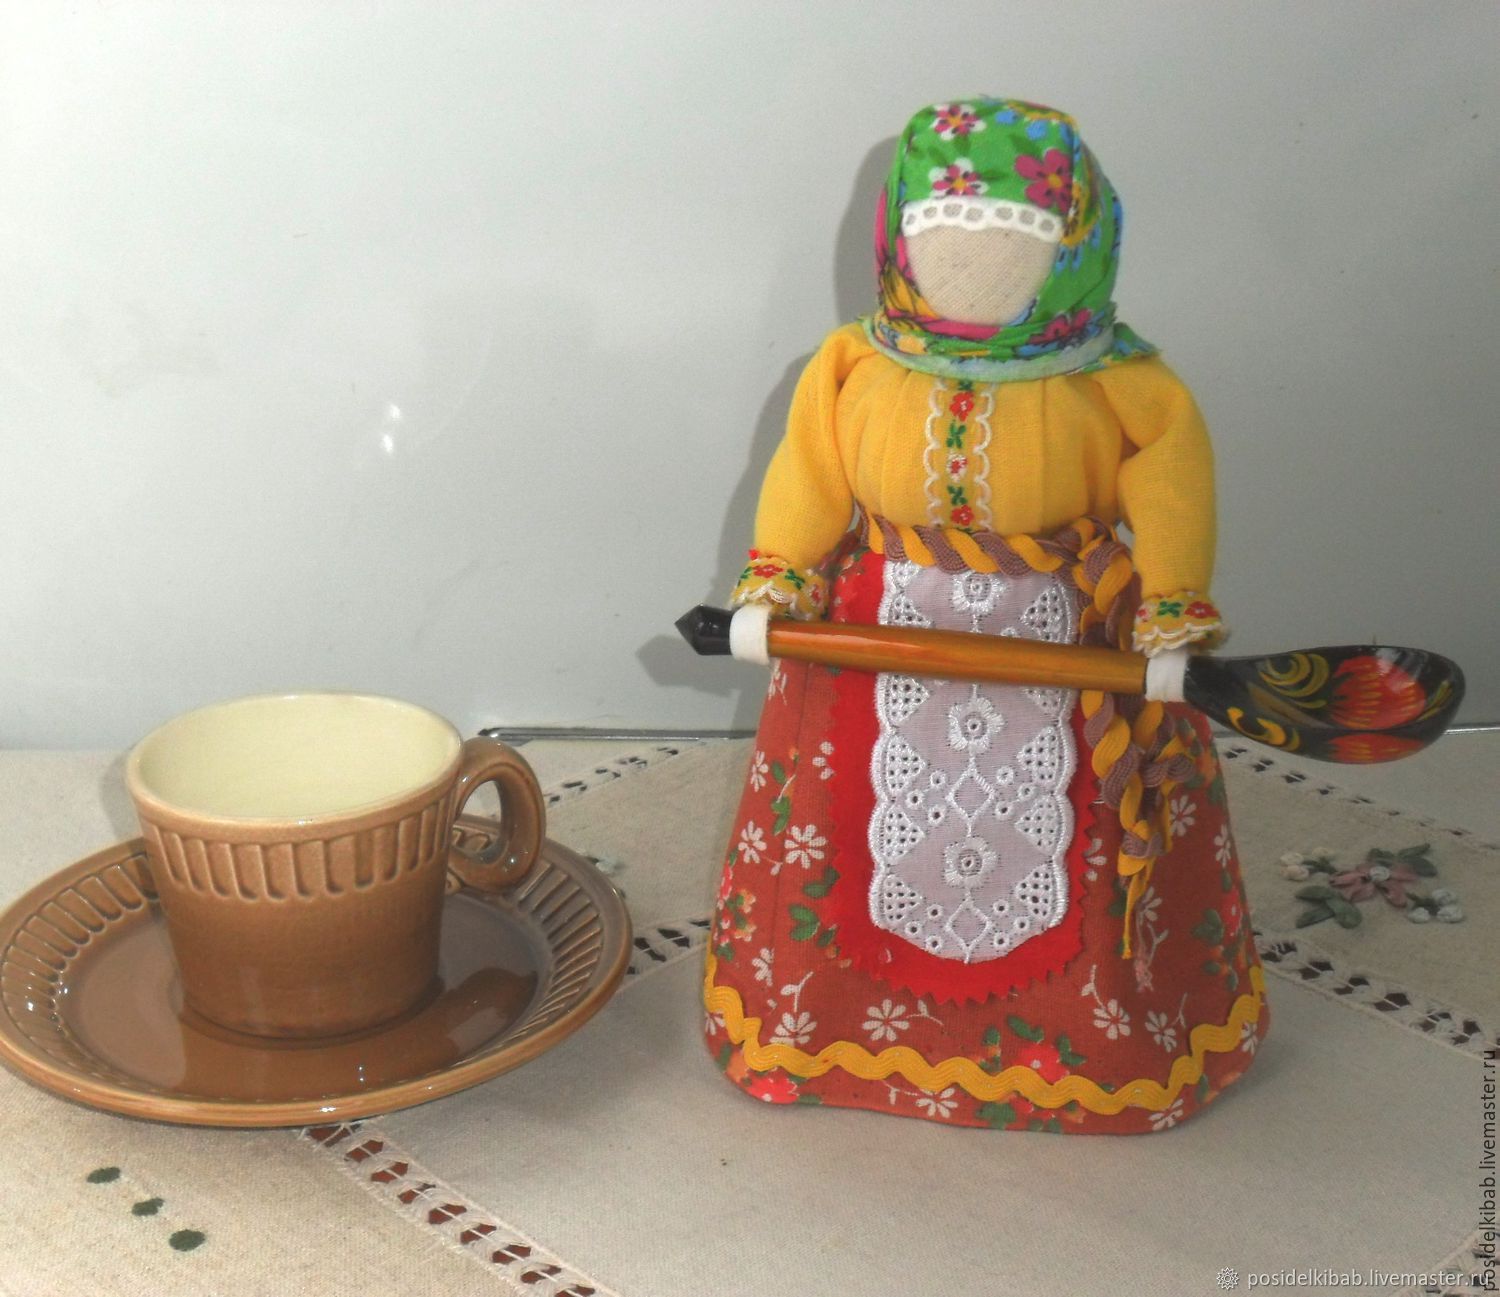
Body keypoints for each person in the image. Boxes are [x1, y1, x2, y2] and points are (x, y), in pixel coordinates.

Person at [703, 99, 1267, 1133]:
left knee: (1084, 838)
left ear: (1075, 242)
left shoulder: (1124, 381)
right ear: (898, 237)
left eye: (1016, 235)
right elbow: (810, 474)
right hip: (869, 634)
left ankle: (1088, 1039)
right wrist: (776, 576)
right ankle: (828, 1027)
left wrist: (1172, 604)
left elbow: (1171, 480)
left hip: (1073, 629)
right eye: (942, 232)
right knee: (841, 833)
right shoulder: (854, 362)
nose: (972, 262)